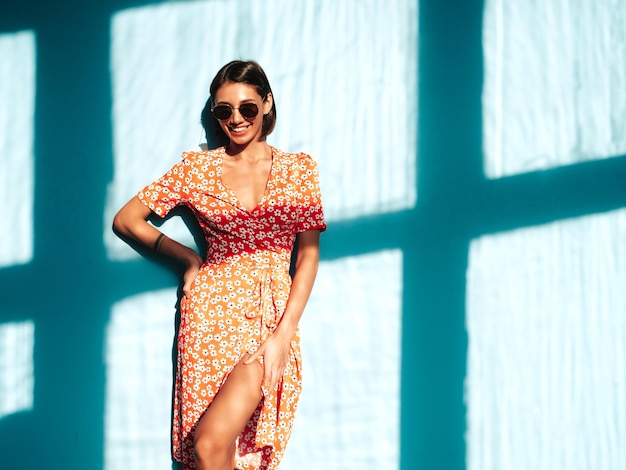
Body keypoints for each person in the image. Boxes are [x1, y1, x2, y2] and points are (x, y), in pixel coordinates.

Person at [112, 60, 326, 470]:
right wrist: (187, 257)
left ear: (266, 104)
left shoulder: (300, 170)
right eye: (223, 111)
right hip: (210, 318)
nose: (236, 119)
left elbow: (308, 258)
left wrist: (283, 337)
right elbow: (126, 220)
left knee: (213, 445)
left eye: (247, 107)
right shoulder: (197, 169)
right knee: (212, 452)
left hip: (270, 317)